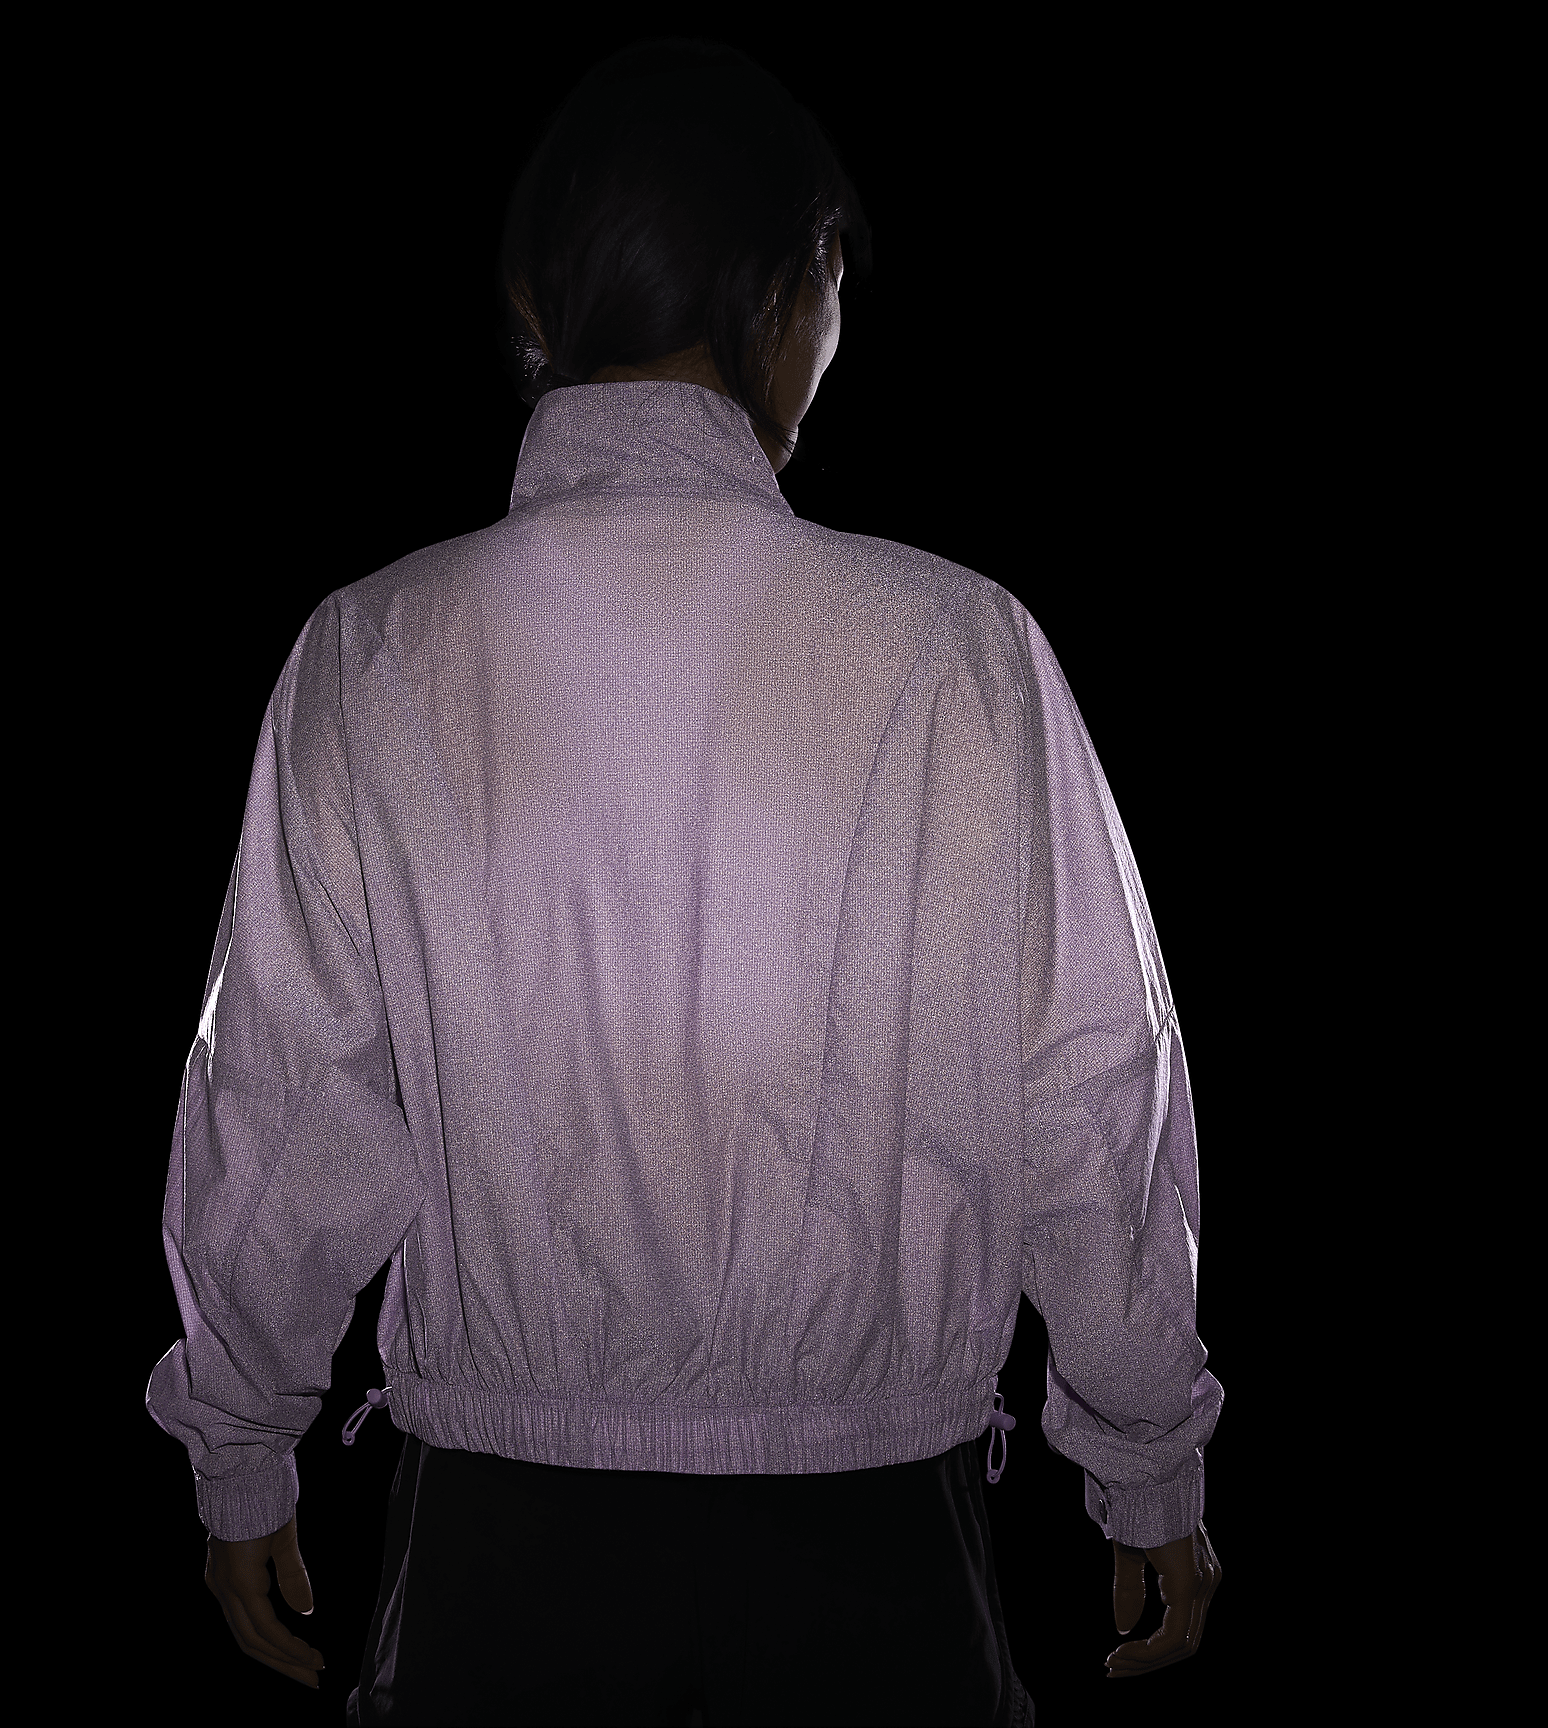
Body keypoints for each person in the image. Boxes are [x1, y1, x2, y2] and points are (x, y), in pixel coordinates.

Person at [148, 37, 1223, 1725]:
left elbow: (287, 1111)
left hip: (503, 1561)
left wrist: (239, 1449)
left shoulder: (372, 651)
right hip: (879, 1562)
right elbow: (1088, 1099)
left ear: (534, 299)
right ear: (799, 286)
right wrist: (1149, 1458)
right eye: (836, 279)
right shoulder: (963, 650)